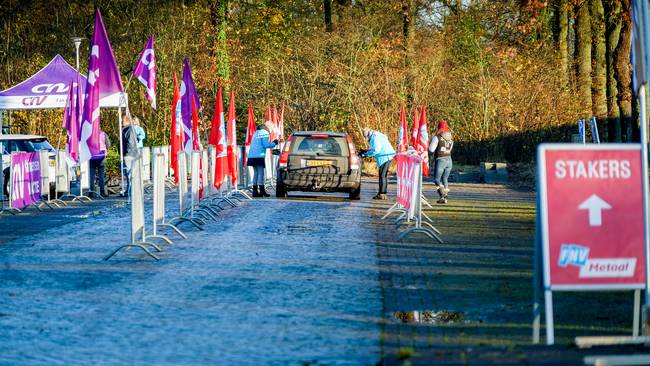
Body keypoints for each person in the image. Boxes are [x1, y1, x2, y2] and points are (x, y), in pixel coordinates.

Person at [360, 127, 396, 200]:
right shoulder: (377, 135)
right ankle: (381, 193)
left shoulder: (375, 137)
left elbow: (376, 150)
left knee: (382, 175)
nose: (367, 139)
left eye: (366, 137)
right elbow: (376, 147)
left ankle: (382, 194)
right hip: (386, 155)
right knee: (382, 175)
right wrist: (366, 151)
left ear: (368, 135)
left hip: (384, 157)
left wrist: (365, 155)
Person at [246, 122, 278, 197]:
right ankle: (262, 191)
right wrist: (274, 143)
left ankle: (255, 191)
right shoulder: (265, 133)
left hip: (251, 155)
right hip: (259, 155)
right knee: (261, 173)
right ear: (269, 128)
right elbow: (265, 145)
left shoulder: (256, 132)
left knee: (256, 173)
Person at [429, 119, 453, 204]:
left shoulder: (437, 137)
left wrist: (431, 140)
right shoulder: (450, 138)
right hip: (449, 160)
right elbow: (450, 149)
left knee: (436, 179)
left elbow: (431, 149)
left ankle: (443, 195)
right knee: (445, 178)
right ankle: (444, 197)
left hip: (440, 160)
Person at [121, 115, 140, 197]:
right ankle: (129, 190)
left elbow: (130, 143)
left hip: (129, 154)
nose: (121, 123)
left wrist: (127, 153)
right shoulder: (128, 129)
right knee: (129, 173)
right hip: (130, 153)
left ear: (126, 121)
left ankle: (131, 191)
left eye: (123, 121)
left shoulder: (129, 130)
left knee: (130, 174)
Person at [88, 131, 110, 197]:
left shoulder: (89, 133)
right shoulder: (103, 134)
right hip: (102, 156)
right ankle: (102, 192)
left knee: (91, 175)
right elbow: (108, 144)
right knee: (101, 175)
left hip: (92, 155)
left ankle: (91, 192)